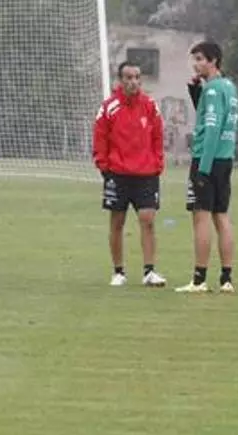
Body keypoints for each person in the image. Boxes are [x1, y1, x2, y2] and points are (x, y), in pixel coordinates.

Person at [92, 61, 167, 287]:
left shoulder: (150, 106)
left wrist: (157, 163)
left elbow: (158, 136)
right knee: (117, 222)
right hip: (117, 173)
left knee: (148, 220)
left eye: (137, 77)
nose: (134, 82)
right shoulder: (109, 107)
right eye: (129, 77)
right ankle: (118, 272)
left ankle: (149, 271)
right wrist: (104, 166)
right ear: (120, 80)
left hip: (146, 173)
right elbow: (100, 137)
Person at [175, 42, 238, 294]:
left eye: (200, 59)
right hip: (225, 159)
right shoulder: (229, 87)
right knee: (221, 216)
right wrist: (196, 93)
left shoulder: (212, 90)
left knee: (201, 217)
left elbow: (211, 127)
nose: (196, 64)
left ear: (213, 61)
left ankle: (199, 280)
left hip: (207, 158)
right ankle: (226, 279)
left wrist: (202, 168)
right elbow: (215, 117)